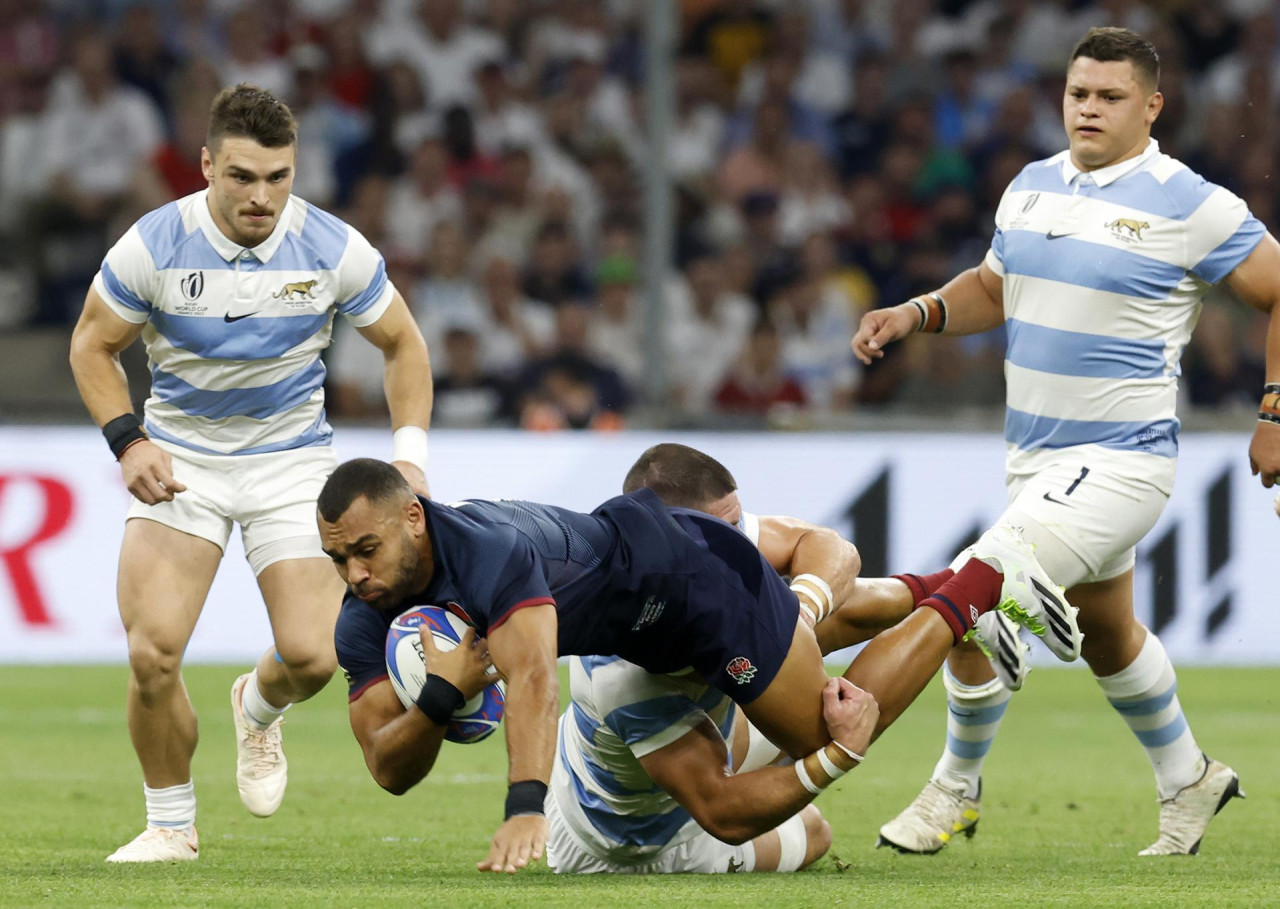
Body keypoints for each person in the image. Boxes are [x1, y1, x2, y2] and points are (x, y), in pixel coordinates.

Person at [853, 27, 1279, 856]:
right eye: (1079, 92)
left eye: (1110, 96)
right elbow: (991, 287)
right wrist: (917, 312)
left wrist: (1275, 411)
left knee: (976, 591)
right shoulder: (1031, 186)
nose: (1089, 107)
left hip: (1123, 461)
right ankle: (1189, 778)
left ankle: (953, 789)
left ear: (1152, 106)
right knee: (1109, 632)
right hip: (1037, 460)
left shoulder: (1190, 201)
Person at [320, 455, 1079, 874]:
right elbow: (388, 766)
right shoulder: (363, 612)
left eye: (366, 550)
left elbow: (535, 678)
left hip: (687, 587)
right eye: (338, 558)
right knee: (806, 629)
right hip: (648, 600)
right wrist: (436, 701)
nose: (355, 573)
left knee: (821, 725)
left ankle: (983, 574)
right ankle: (942, 586)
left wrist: (523, 807)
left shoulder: (490, 554)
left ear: (413, 516)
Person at [68, 84, 434, 863]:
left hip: (291, 462)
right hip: (182, 458)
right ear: (206, 165)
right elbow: (91, 345)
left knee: (313, 656)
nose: (261, 196)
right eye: (241, 176)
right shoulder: (154, 244)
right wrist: (129, 441)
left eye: (279, 177)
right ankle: (170, 825)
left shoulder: (333, 247)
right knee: (151, 653)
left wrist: (411, 457)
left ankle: (257, 705)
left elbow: (403, 344)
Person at [544, 442, 959, 875]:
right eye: (727, 527)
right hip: (639, 844)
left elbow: (825, 546)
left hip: (622, 752)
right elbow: (722, 812)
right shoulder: (619, 670)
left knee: (794, 607)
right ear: (675, 537)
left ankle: (953, 583)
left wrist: (804, 609)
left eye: (736, 521)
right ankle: (965, 598)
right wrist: (839, 756)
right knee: (816, 820)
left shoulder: (708, 540)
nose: (739, 537)